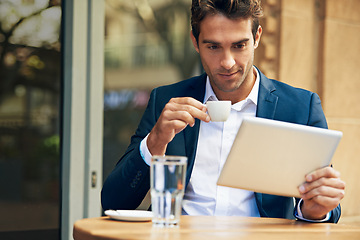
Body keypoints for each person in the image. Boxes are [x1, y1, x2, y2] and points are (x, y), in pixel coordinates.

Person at [101, 0, 345, 223]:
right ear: (195, 42)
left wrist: (313, 209)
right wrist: (154, 142)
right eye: (214, 47)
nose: (227, 62)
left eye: (239, 45)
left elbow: (327, 204)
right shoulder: (165, 101)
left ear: (257, 37)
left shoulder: (300, 106)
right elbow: (113, 202)